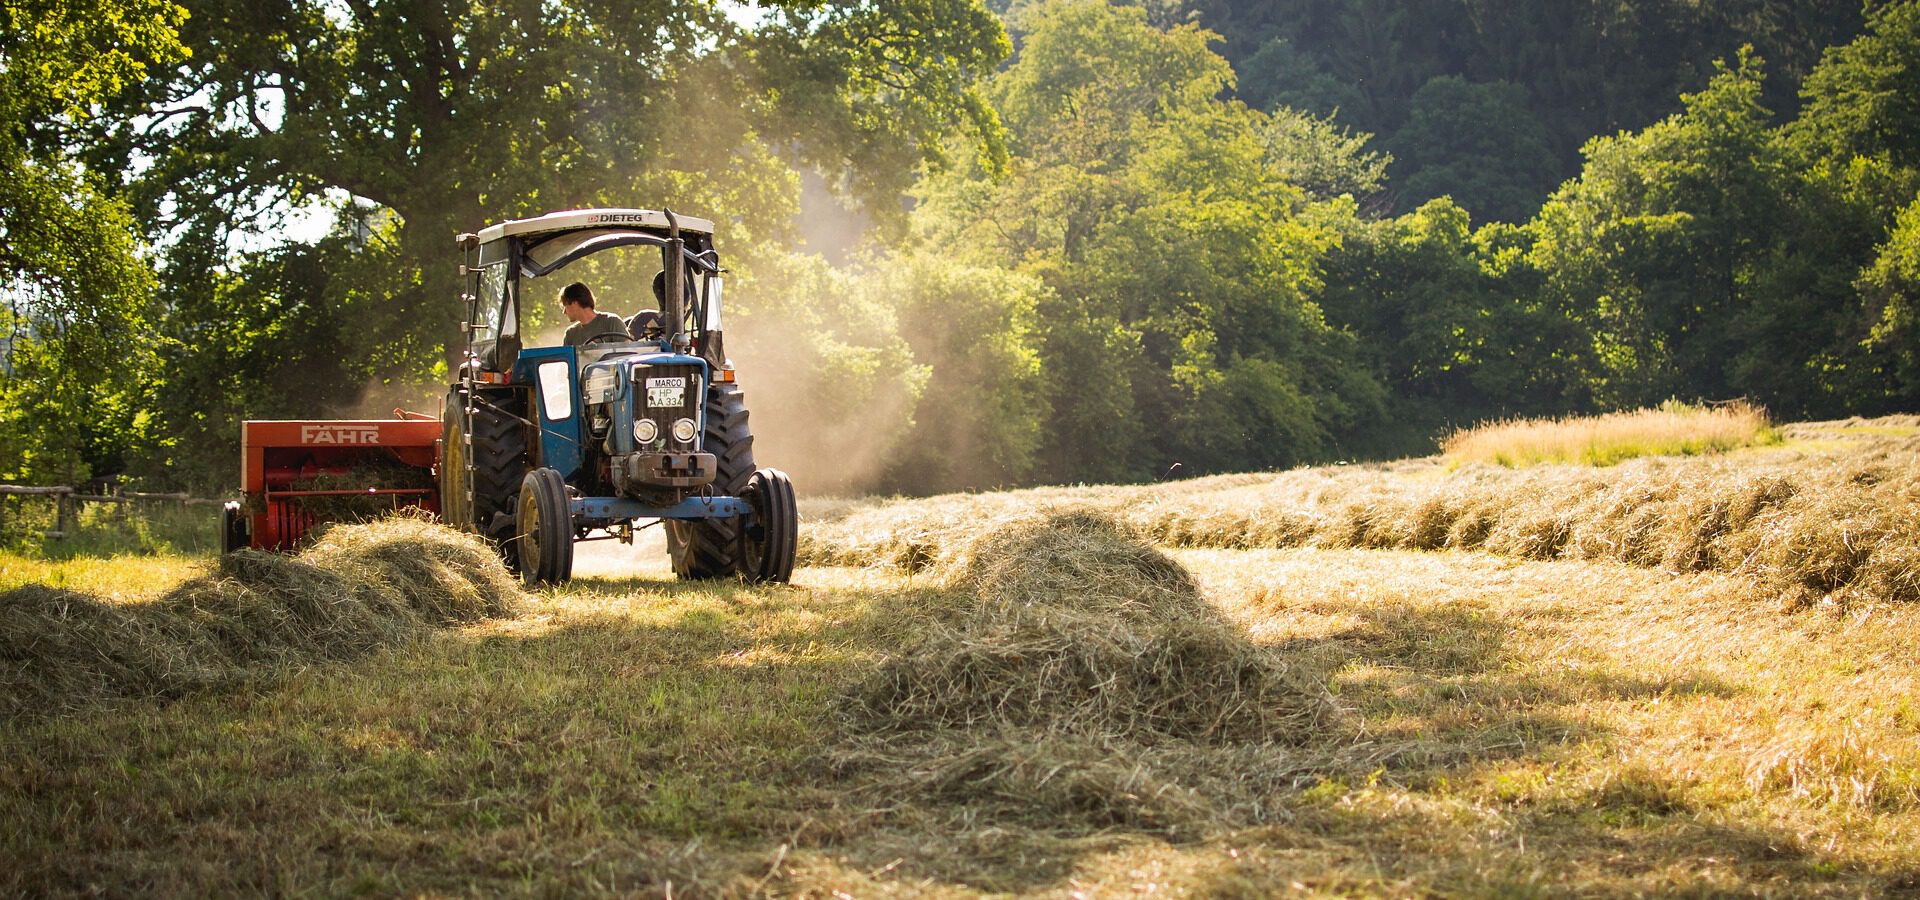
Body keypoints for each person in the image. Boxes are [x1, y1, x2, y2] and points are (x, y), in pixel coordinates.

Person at [558, 282, 629, 347]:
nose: (564, 312)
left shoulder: (612, 322)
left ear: (575, 303)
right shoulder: (570, 334)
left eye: (565, 306)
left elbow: (627, 353)